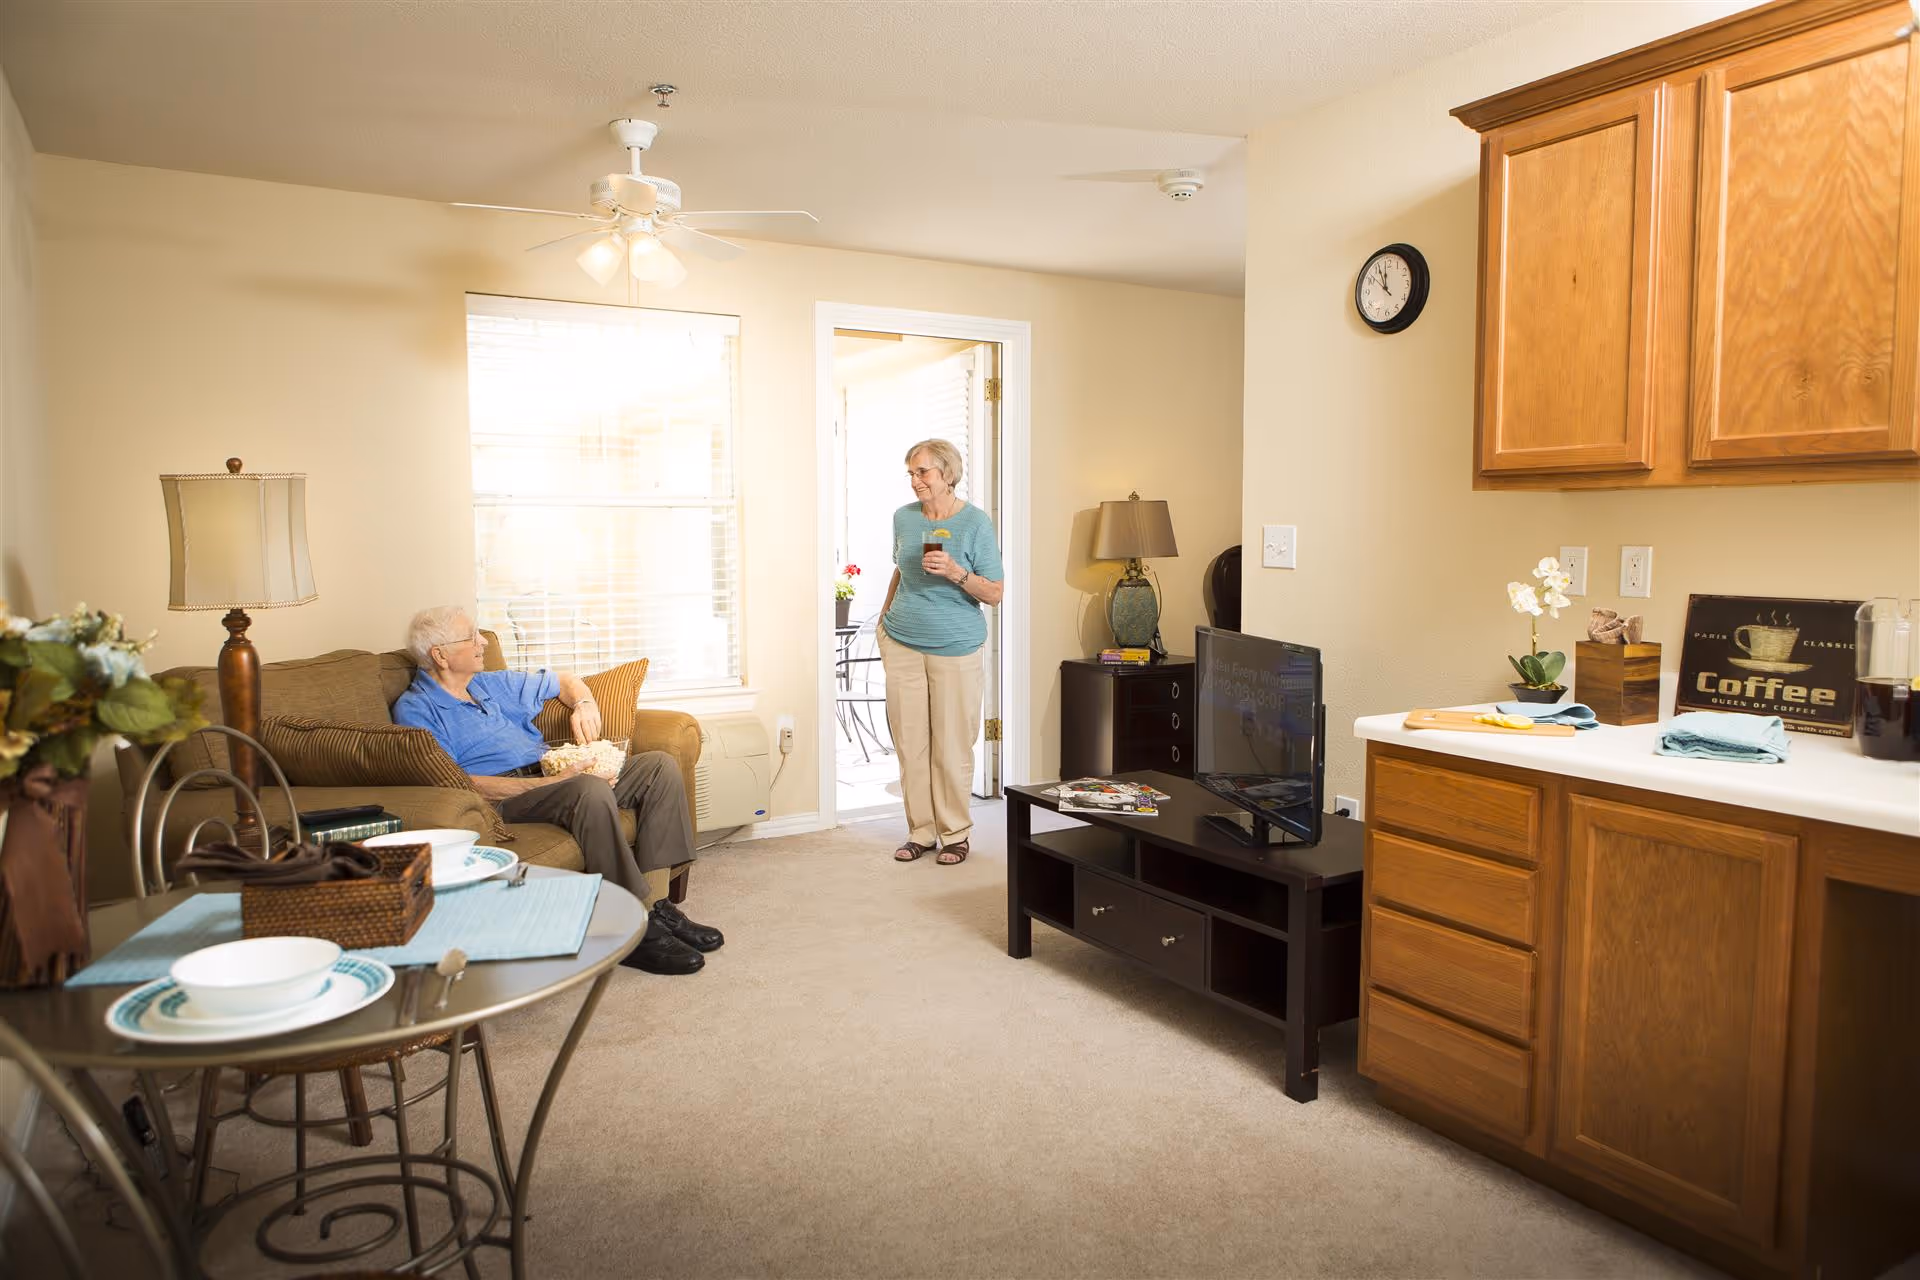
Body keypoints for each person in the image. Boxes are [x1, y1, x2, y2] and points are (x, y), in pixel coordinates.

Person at [393, 605, 723, 975]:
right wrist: (551, 783)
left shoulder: (487, 684)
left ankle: (659, 905)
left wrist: (583, 704)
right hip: (505, 799)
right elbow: (456, 783)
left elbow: (565, 681)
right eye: (470, 637)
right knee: (587, 790)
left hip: (551, 773)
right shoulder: (417, 710)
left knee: (658, 766)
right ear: (439, 654)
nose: (482, 641)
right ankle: (629, 928)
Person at [878, 439, 1004, 865]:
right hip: (902, 643)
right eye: (911, 473)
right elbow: (900, 570)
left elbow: (994, 592)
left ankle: (954, 834)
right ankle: (920, 831)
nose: (915, 481)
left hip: (956, 648)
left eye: (923, 472)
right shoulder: (904, 518)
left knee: (951, 746)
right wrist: (883, 621)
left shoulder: (975, 524)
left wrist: (955, 572)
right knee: (911, 744)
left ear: (947, 473)